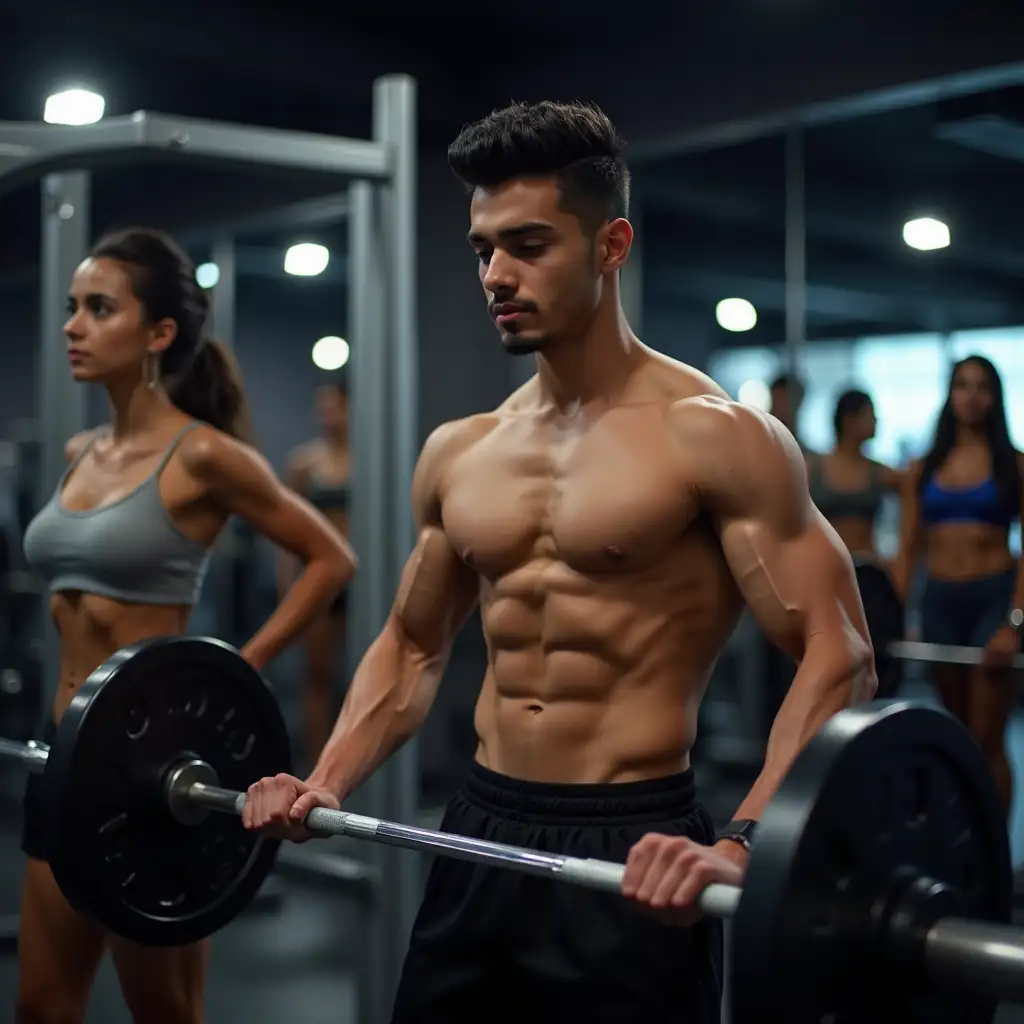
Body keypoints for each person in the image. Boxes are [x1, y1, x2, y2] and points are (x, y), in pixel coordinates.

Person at [242, 101, 876, 1022]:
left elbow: (840, 650)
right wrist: (327, 777)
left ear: (612, 244)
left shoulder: (716, 438)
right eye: (483, 248)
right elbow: (414, 646)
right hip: (481, 827)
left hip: (636, 843)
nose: (496, 274)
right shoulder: (461, 450)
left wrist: (743, 841)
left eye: (529, 244)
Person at [16, 227, 357, 1024]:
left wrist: (240, 667)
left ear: (158, 334)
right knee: (40, 1006)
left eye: (99, 309)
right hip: (61, 752)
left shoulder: (202, 456)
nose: (73, 325)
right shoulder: (78, 450)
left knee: (165, 1013)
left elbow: (330, 558)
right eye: (72, 307)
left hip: (150, 767)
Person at [893, 354, 1024, 815]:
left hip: (992, 597)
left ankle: (997, 864)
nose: (972, 396)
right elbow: (909, 548)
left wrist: (1014, 621)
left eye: (982, 387)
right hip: (940, 601)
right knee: (958, 735)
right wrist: (897, 614)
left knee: (988, 737)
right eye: (963, 386)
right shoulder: (924, 468)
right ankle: (963, 850)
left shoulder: (1014, 465)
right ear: (950, 395)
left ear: (995, 397)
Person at [279, 380, 353, 766]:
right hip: (322, 578)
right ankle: (318, 761)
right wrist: (289, 583)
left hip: (361, 582)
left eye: (333, 405)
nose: (326, 414)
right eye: (321, 406)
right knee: (318, 672)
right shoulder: (305, 462)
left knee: (361, 674)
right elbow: (288, 530)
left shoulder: (366, 457)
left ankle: (354, 760)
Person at [808, 388, 901, 560]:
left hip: (868, 566)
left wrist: (901, 562)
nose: (876, 421)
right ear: (849, 420)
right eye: (870, 414)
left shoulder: (879, 472)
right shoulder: (814, 469)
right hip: (825, 565)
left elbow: (911, 491)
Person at [768, 372, 805, 447]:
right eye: (778, 401)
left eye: (785, 402)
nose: (782, 409)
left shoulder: (807, 456)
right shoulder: (759, 445)